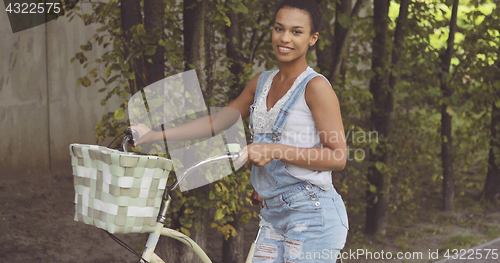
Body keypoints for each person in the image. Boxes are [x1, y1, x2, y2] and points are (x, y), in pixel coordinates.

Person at [131, 0, 348, 261]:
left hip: (312, 215)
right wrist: (155, 135)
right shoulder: (261, 83)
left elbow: (338, 157)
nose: (285, 38)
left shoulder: (315, 87)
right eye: (279, 28)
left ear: (313, 38)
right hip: (273, 213)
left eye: (296, 32)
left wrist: (274, 150)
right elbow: (216, 122)